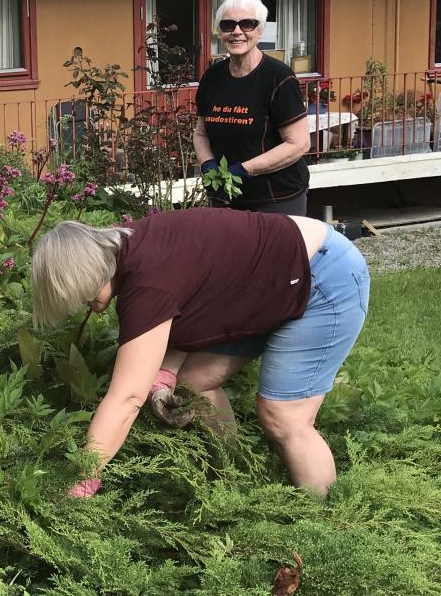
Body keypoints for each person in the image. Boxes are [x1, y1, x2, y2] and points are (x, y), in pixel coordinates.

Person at [30, 208, 369, 499]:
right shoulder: (136, 247)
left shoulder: (145, 283)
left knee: (284, 417)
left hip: (323, 277)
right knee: (195, 381)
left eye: (79, 295)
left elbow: (126, 398)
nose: (83, 306)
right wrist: (163, 377)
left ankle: (329, 527)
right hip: (273, 282)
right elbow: (183, 308)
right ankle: (239, 474)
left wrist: (83, 477)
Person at [193, 0, 311, 215]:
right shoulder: (212, 77)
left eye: (247, 24)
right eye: (228, 25)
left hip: (277, 199)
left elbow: (298, 143)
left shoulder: (278, 78)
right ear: (219, 32)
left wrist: (245, 170)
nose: (237, 32)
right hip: (226, 198)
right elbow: (201, 134)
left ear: (260, 30)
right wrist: (208, 165)